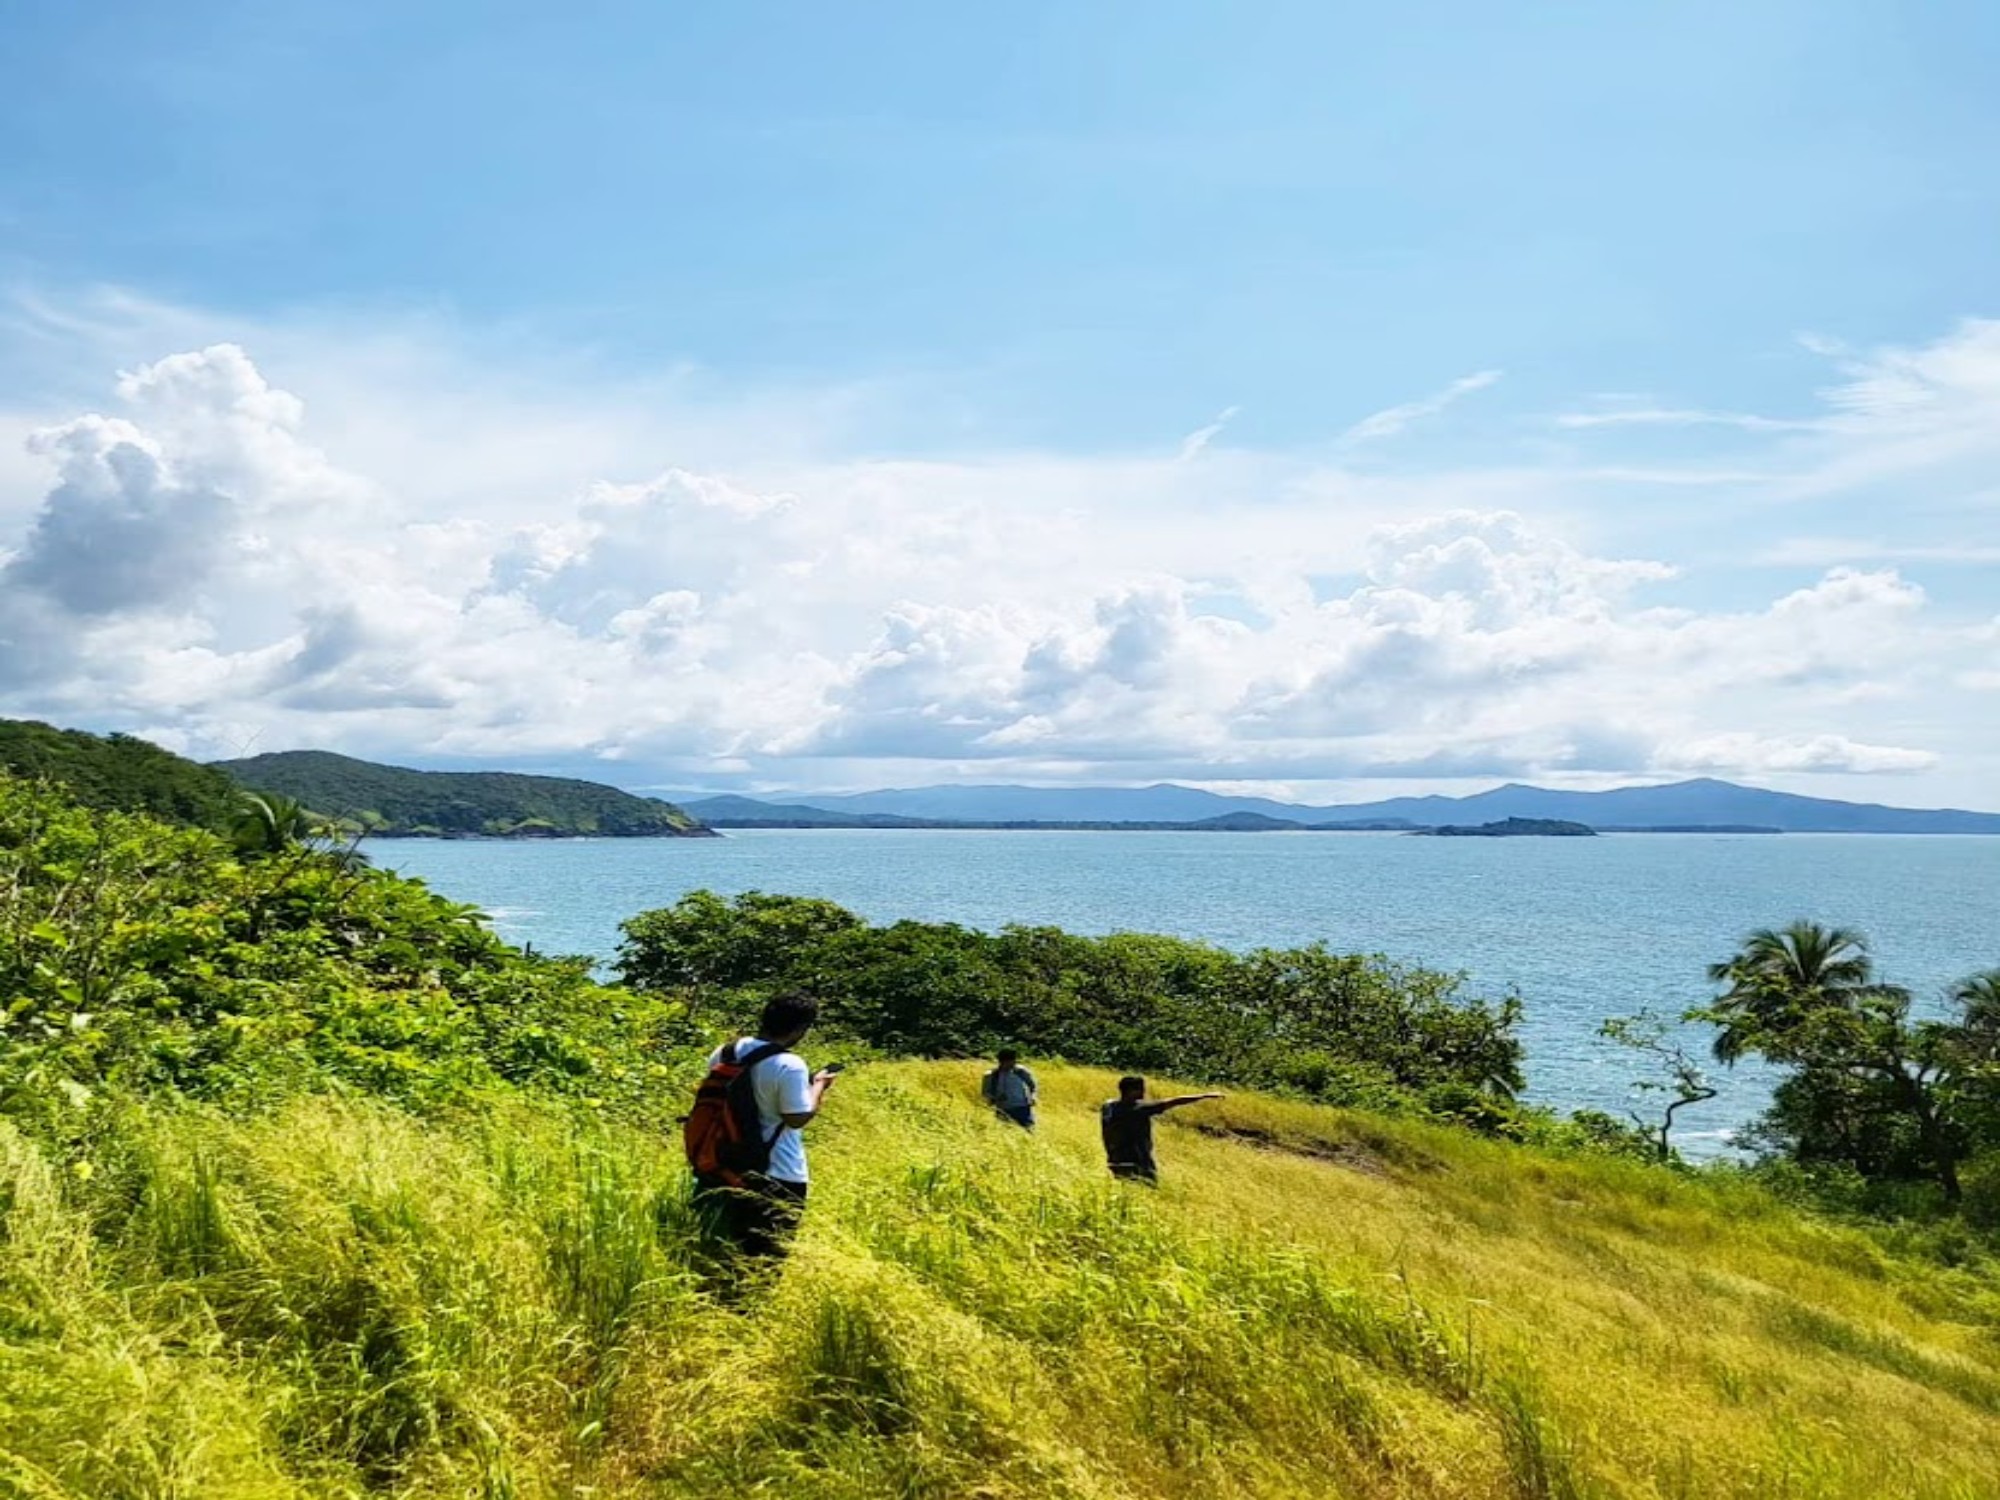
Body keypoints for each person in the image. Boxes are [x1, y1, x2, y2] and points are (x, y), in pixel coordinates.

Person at [694, 992, 838, 1268]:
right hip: (777, 1173)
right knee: (766, 1262)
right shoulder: (789, 1064)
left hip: (724, 1165)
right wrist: (819, 1085)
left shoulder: (725, 1052)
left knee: (722, 1254)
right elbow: (796, 1118)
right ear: (801, 1028)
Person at [1099, 1075, 1222, 1183]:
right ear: (1131, 1091)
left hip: (1115, 1160)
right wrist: (1204, 1096)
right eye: (1141, 1089)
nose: (1144, 1092)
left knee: (1127, 1191)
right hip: (1138, 1161)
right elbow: (1175, 1101)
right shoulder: (1139, 1108)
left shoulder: (1108, 1106)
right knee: (1148, 1191)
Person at [980, 1048, 1039, 1128]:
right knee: (1006, 1131)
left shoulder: (1020, 1071)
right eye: (1008, 1062)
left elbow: (1033, 1085)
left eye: (1013, 1061)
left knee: (1029, 1130)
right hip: (1003, 1109)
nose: (1012, 1064)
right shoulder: (991, 1075)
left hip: (1022, 1108)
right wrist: (995, 1098)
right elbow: (985, 1093)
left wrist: (1033, 1096)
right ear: (1001, 1061)